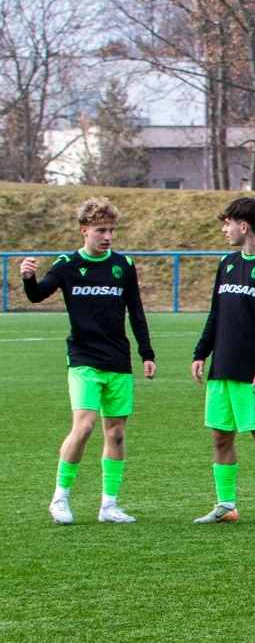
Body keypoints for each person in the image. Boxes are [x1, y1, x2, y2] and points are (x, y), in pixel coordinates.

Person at [22, 196, 155, 524]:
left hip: (118, 360)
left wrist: (146, 353)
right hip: (83, 359)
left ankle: (109, 505)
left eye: (111, 230)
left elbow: (136, 313)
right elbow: (37, 295)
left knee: (116, 433)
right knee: (83, 427)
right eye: (100, 230)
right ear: (84, 230)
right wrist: (28, 278)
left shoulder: (123, 265)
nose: (107, 236)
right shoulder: (67, 264)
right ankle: (60, 498)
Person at [190, 197, 255, 527]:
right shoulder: (227, 263)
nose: (224, 229)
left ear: (243, 226)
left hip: (252, 372)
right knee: (220, 437)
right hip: (222, 368)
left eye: (227, 223)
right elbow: (216, 314)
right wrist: (201, 352)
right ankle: (226, 505)